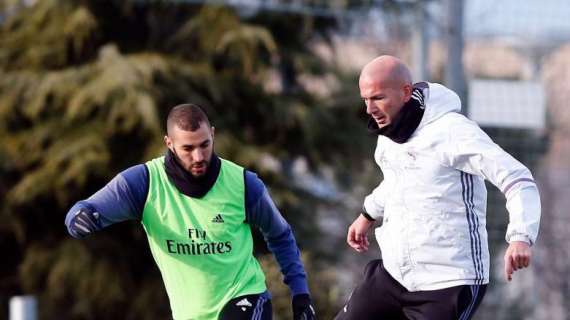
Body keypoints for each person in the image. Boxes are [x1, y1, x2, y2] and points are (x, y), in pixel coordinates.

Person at [65, 104, 317, 320]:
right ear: (169, 143)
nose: (198, 156)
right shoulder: (143, 184)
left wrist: (300, 293)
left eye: (205, 144)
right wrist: (79, 219)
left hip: (244, 297)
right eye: (188, 148)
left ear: (213, 135)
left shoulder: (243, 184)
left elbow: (280, 234)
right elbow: (84, 211)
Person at [335, 55, 541, 320]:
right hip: (395, 276)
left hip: (448, 282)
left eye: (377, 98)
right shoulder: (389, 134)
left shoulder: (453, 132)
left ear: (406, 92)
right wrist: (368, 213)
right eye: (365, 99)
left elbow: (517, 178)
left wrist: (521, 237)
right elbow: (400, 181)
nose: (369, 109)